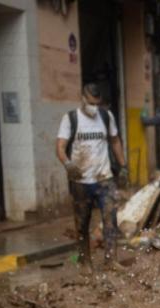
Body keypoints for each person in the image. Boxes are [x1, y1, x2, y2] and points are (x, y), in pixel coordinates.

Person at [56, 83, 127, 272]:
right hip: (80, 181)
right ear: (83, 99)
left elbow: (115, 140)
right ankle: (85, 261)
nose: (94, 107)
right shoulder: (70, 119)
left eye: (97, 103)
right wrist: (68, 164)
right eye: (91, 103)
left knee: (110, 219)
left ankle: (111, 260)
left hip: (104, 177)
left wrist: (123, 165)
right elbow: (61, 146)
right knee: (82, 223)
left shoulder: (105, 116)